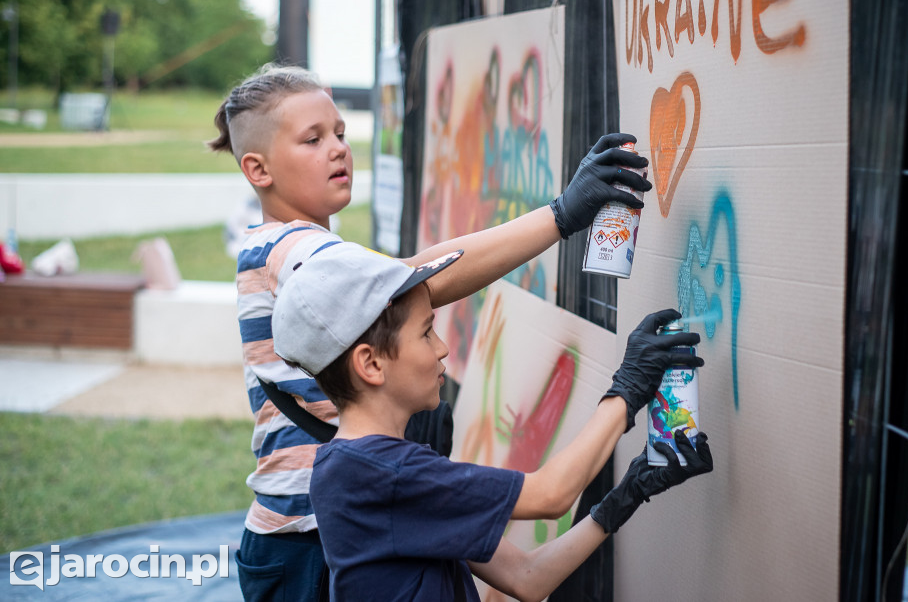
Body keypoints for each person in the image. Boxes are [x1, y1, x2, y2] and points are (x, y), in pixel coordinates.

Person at [206, 63, 655, 601]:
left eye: (341, 133)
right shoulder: (292, 249)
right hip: (310, 543)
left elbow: (526, 577)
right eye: (313, 139)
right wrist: (559, 216)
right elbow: (410, 280)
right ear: (258, 169)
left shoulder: (292, 248)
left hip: (338, 522)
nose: (338, 149)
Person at [271, 242, 714, 601]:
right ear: (370, 365)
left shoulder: (361, 468)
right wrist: (628, 389)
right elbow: (550, 495)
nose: (443, 347)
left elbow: (527, 577)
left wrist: (627, 494)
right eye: (426, 332)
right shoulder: (384, 473)